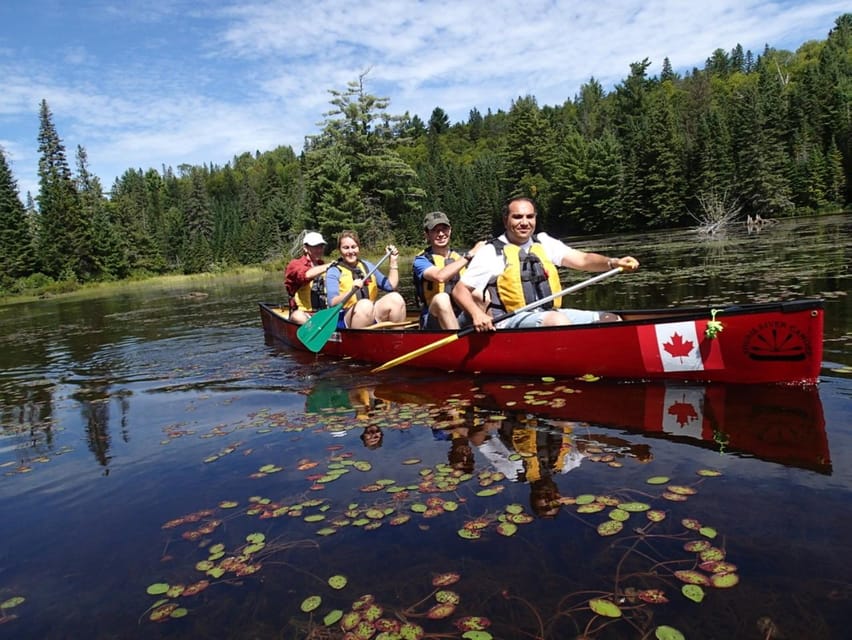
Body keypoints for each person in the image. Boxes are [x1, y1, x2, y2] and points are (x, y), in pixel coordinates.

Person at [452, 196, 640, 331]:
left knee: (611, 319)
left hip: (549, 313)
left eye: (529, 217)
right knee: (558, 321)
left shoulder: (543, 242)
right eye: (517, 217)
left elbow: (583, 260)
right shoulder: (491, 251)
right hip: (508, 320)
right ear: (505, 220)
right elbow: (459, 290)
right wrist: (477, 315)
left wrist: (613, 262)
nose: (524, 222)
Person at [412, 211, 487, 330]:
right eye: (435, 230)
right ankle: (457, 346)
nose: (441, 234)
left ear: (450, 230)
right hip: (434, 320)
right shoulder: (421, 261)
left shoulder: (458, 257)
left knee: (481, 294)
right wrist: (471, 254)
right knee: (442, 299)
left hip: (460, 314)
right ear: (427, 234)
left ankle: (489, 335)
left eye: (444, 229)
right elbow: (440, 276)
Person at [325, 230, 406, 329]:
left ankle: (396, 342)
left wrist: (393, 261)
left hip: (369, 312)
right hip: (345, 318)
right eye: (346, 248)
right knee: (365, 305)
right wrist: (351, 290)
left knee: (395, 298)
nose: (350, 251)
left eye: (353, 247)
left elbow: (391, 286)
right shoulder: (334, 270)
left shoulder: (367, 266)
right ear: (340, 250)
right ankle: (357, 343)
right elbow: (332, 302)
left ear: (358, 248)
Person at [283, 231, 334, 325]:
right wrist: (330, 265)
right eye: (315, 246)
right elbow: (306, 275)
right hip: (303, 313)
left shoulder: (322, 264)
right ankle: (312, 330)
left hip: (323, 312)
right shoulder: (295, 264)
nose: (319, 249)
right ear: (305, 248)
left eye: (321, 246)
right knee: (298, 316)